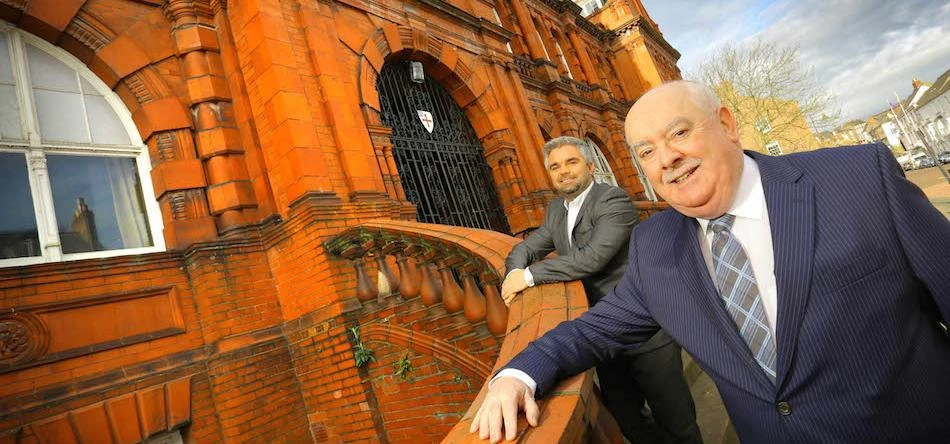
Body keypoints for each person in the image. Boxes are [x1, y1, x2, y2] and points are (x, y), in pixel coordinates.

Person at [470, 80, 950, 443]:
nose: (668, 159)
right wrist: (517, 374)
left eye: (679, 133)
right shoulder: (657, 245)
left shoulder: (857, 179)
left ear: (727, 124)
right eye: (647, 152)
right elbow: (595, 330)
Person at [499, 136, 700, 443]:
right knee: (629, 420)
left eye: (571, 162)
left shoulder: (612, 200)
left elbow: (592, 258)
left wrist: (528, 276)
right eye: (555, 167)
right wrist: (514, 271)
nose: (564, 171)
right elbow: (526, 247)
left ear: (590, 166)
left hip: (645, 330)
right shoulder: (557, 211)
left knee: (677, 422)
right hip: (600, 334)